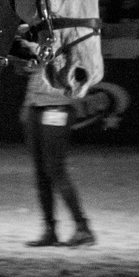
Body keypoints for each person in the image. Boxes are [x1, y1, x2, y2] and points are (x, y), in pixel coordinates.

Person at [23, 70, 95, 247]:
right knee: (41, 172)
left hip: (58, 106)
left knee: (55, 169)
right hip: (35, 106)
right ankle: (50, 230)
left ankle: (83, 228)